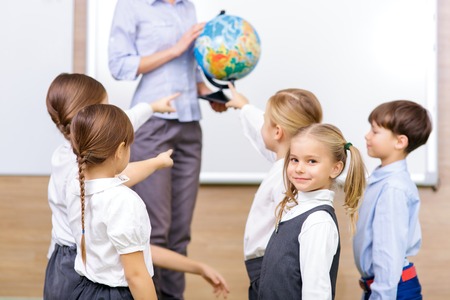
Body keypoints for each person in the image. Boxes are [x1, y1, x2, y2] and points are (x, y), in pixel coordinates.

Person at [44, 73, 229, 299]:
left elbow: (126, 123)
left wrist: (151, 108)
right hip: (78, 271)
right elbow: (136, 273)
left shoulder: (78, 179)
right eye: (106, 107)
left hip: (67, 271)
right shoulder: (119, 201)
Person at [108, 1, 227, 298]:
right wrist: (176, 48)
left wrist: (211, 93)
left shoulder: (187, 6)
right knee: (156, 229)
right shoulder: (132, 6)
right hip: (153, 125)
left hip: (189, 125)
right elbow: (119, 65)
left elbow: (188, 70)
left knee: (180, 232)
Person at [225, 84, 323, 299]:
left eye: (266, 123)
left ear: (277, 131)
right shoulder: (290, 166)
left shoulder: (288, 175)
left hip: (271, 269)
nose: (261, 127)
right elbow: (264, 126)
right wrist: (244, 106)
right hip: (269, 267)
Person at [258, 123, 367, 299]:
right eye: (294, 159)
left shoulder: (317, 222)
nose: (299, 168)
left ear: (335, 168)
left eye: (312, 161)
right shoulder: (298, 210)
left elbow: (316, 292)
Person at [67, 104, 157, 299]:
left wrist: (157, 162)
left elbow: (117, 177)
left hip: (84, 290)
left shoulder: (74, 185)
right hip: (117, 294)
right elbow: (136, 276)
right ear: (120, 149)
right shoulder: (124, 202)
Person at [353, 100, 432, 299]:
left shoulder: (392, 189)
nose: (367, 135)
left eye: (375, 131)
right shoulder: (382, 179)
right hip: (382, 287)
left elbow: (387, 253)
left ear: (400, 142)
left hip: (392, 290)